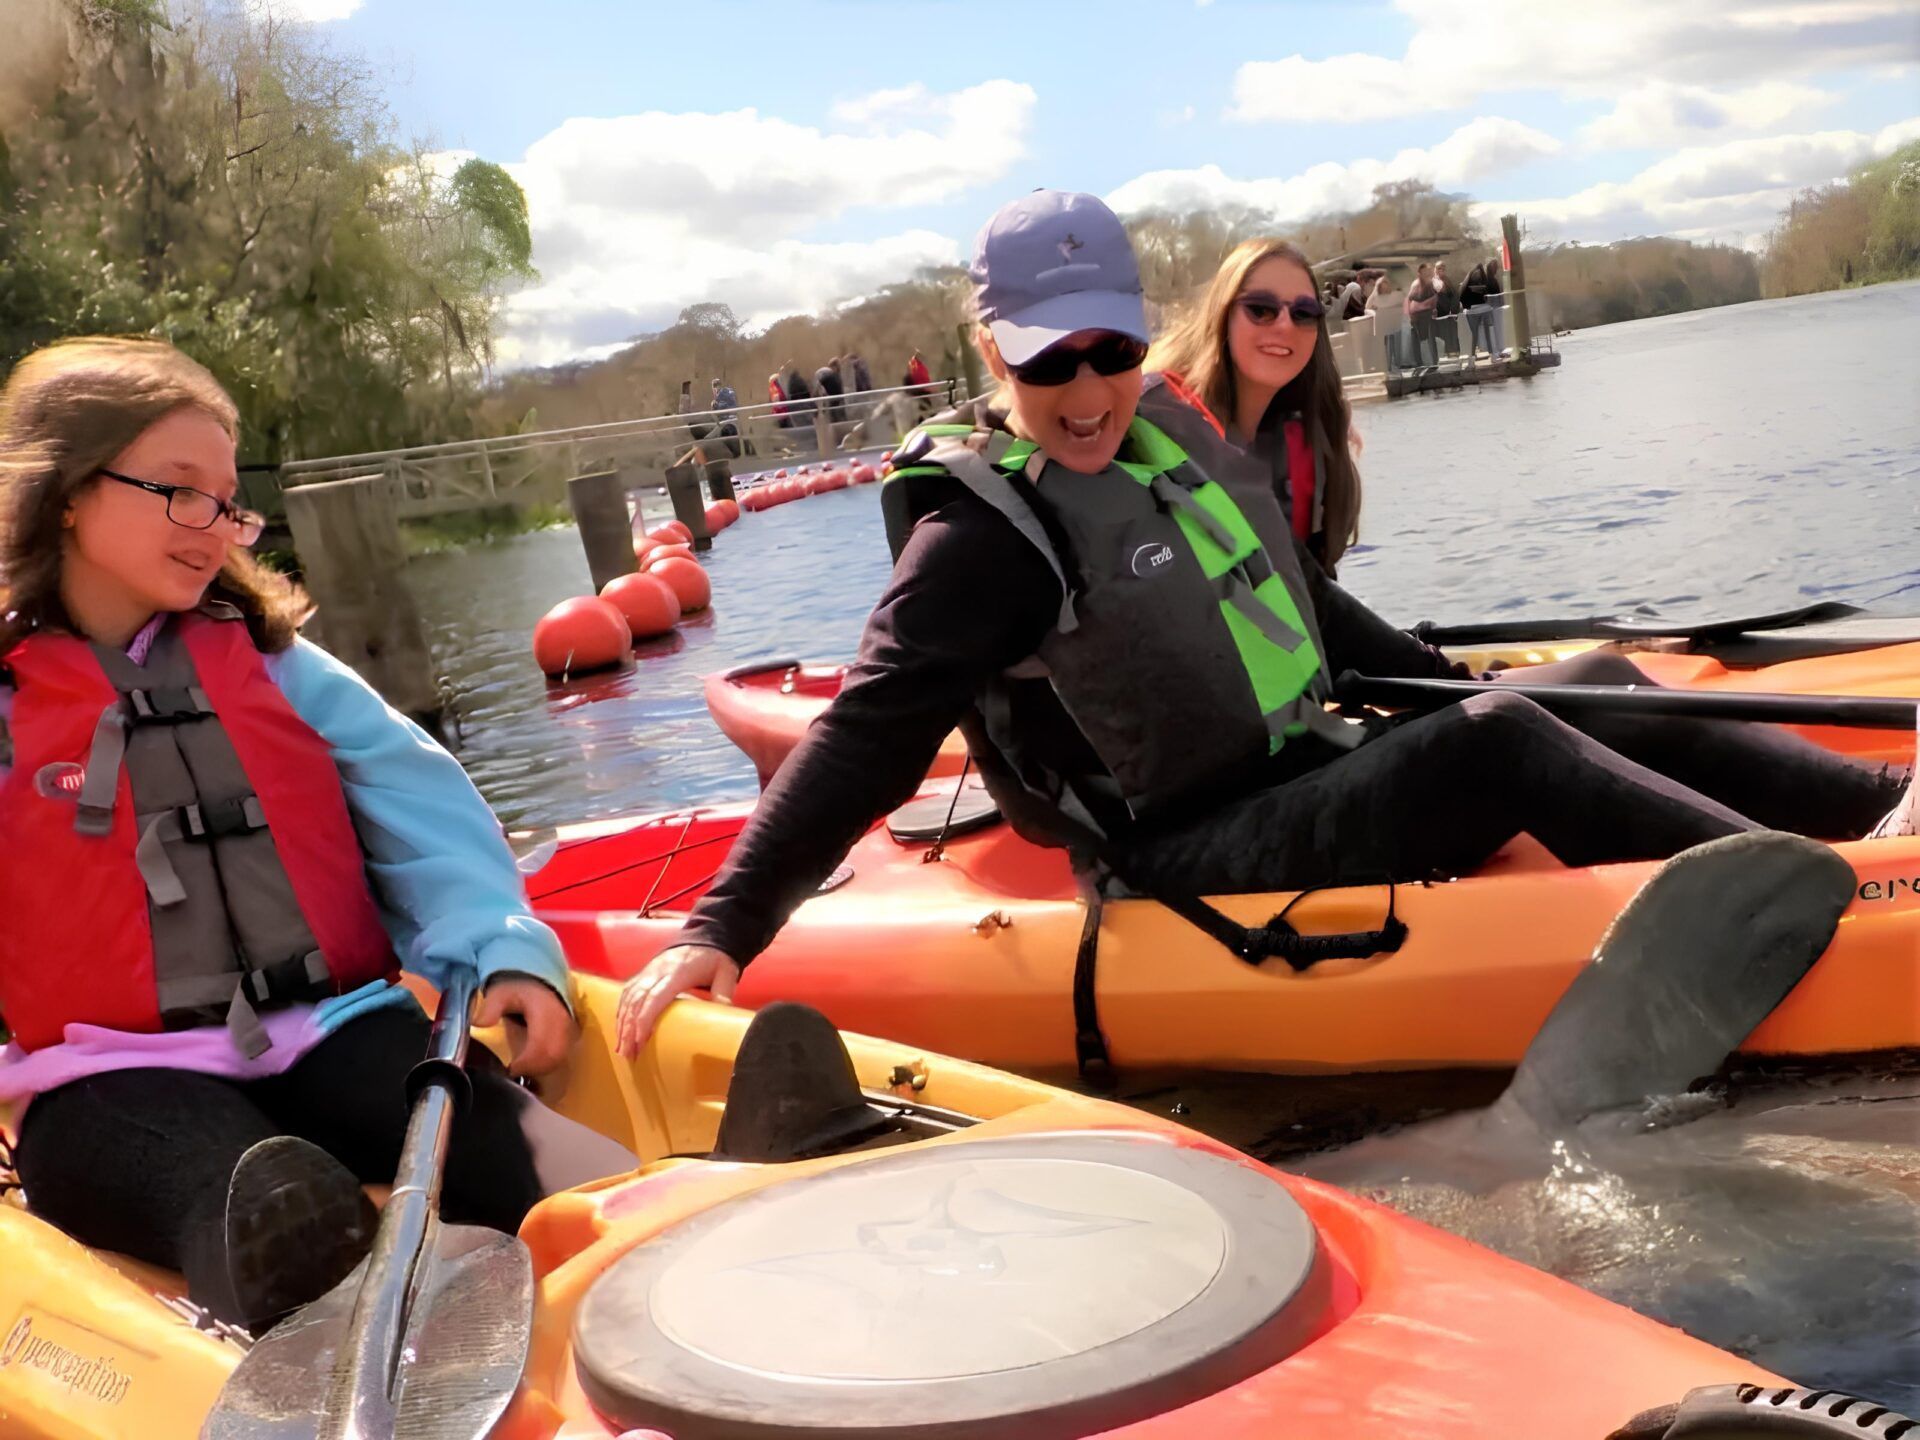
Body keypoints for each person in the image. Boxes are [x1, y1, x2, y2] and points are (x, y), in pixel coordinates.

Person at [612, 190, 1911, 1053]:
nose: (1085, 389)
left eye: (1109, 350)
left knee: (1585, 680)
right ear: (988, 349)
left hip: (1294, 763)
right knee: (1509, 741)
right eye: (1045, 360)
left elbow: (1305, 606)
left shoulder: (1161, 431)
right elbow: (871, 732)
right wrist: (722, 929)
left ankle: (1886, 813)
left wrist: (1448, 685)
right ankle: (1850, 916)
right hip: (1182, 851)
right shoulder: (977, 540)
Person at [0, 338, 635, 1329]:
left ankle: (675, 1217)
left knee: (516, 1146)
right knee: (252, 1198)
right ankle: (306, 1278)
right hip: (108, 1080)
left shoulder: (276, 668)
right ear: (68, 494)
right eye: (179, 491)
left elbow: (427, 820)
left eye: (225, 496)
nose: (214, 523)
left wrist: (501, 953)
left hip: (327, 1031)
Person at [1148, 237, 1362, 575]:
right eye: (1261, 309)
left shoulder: (1314, 431)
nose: (1284, 325)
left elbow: (1315, 588)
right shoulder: (1154, 426)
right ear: (1223, 315)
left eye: (1304, 313)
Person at [1405, 262, 1438, 370]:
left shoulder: (1431, 283)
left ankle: (1432, 363)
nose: (1426, 273)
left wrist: (1434, 308)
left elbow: (1435, 298)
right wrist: (1409, 315)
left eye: (1428, 271)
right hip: (1416, 315)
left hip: (1427, 314)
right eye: (1424, 272)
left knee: (1429, 339)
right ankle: (1420, 364)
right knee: (1418, 340)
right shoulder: (1416, 284)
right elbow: (1409, 299)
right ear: (1419, 273)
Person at [1458, 262, 1495, 358]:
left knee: (1473, 334)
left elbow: (1461, 297)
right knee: (1488, 332)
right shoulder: (1484, 280)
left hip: (1472, 311)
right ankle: (1492, 354)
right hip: (1484, 309)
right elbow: (1489, 295)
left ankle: (1472, 355)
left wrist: (1467, 307)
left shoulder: (1466, 283)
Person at [1431, 261, 1461, 359]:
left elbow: (1454, 295)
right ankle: (1443, 354)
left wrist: (1453, 309)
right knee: (1442, 333)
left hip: (1450, 313)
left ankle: (1454, 352)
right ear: (1435, 269)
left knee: (1452, 332)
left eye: (1443, 269)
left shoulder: (1448, 281)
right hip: (1440, 314)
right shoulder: (1432, 282)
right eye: (1439, 269)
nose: (1441, 271)